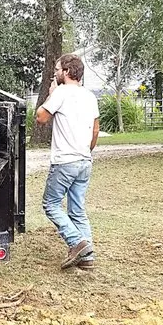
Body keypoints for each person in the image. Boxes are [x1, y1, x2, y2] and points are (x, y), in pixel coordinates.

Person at [35, 54, 100, 270]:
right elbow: (96, 129)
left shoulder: (61, 92)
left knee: (51, 204)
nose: (54, 73)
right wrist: (85, 151)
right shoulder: (90, 96)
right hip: (84, 161)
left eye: (57, 69)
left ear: (67, 72)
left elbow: (41, 118)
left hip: (65, 162)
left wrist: (51, 94)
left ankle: (76, 242)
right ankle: (88, 256)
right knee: (77, 209)